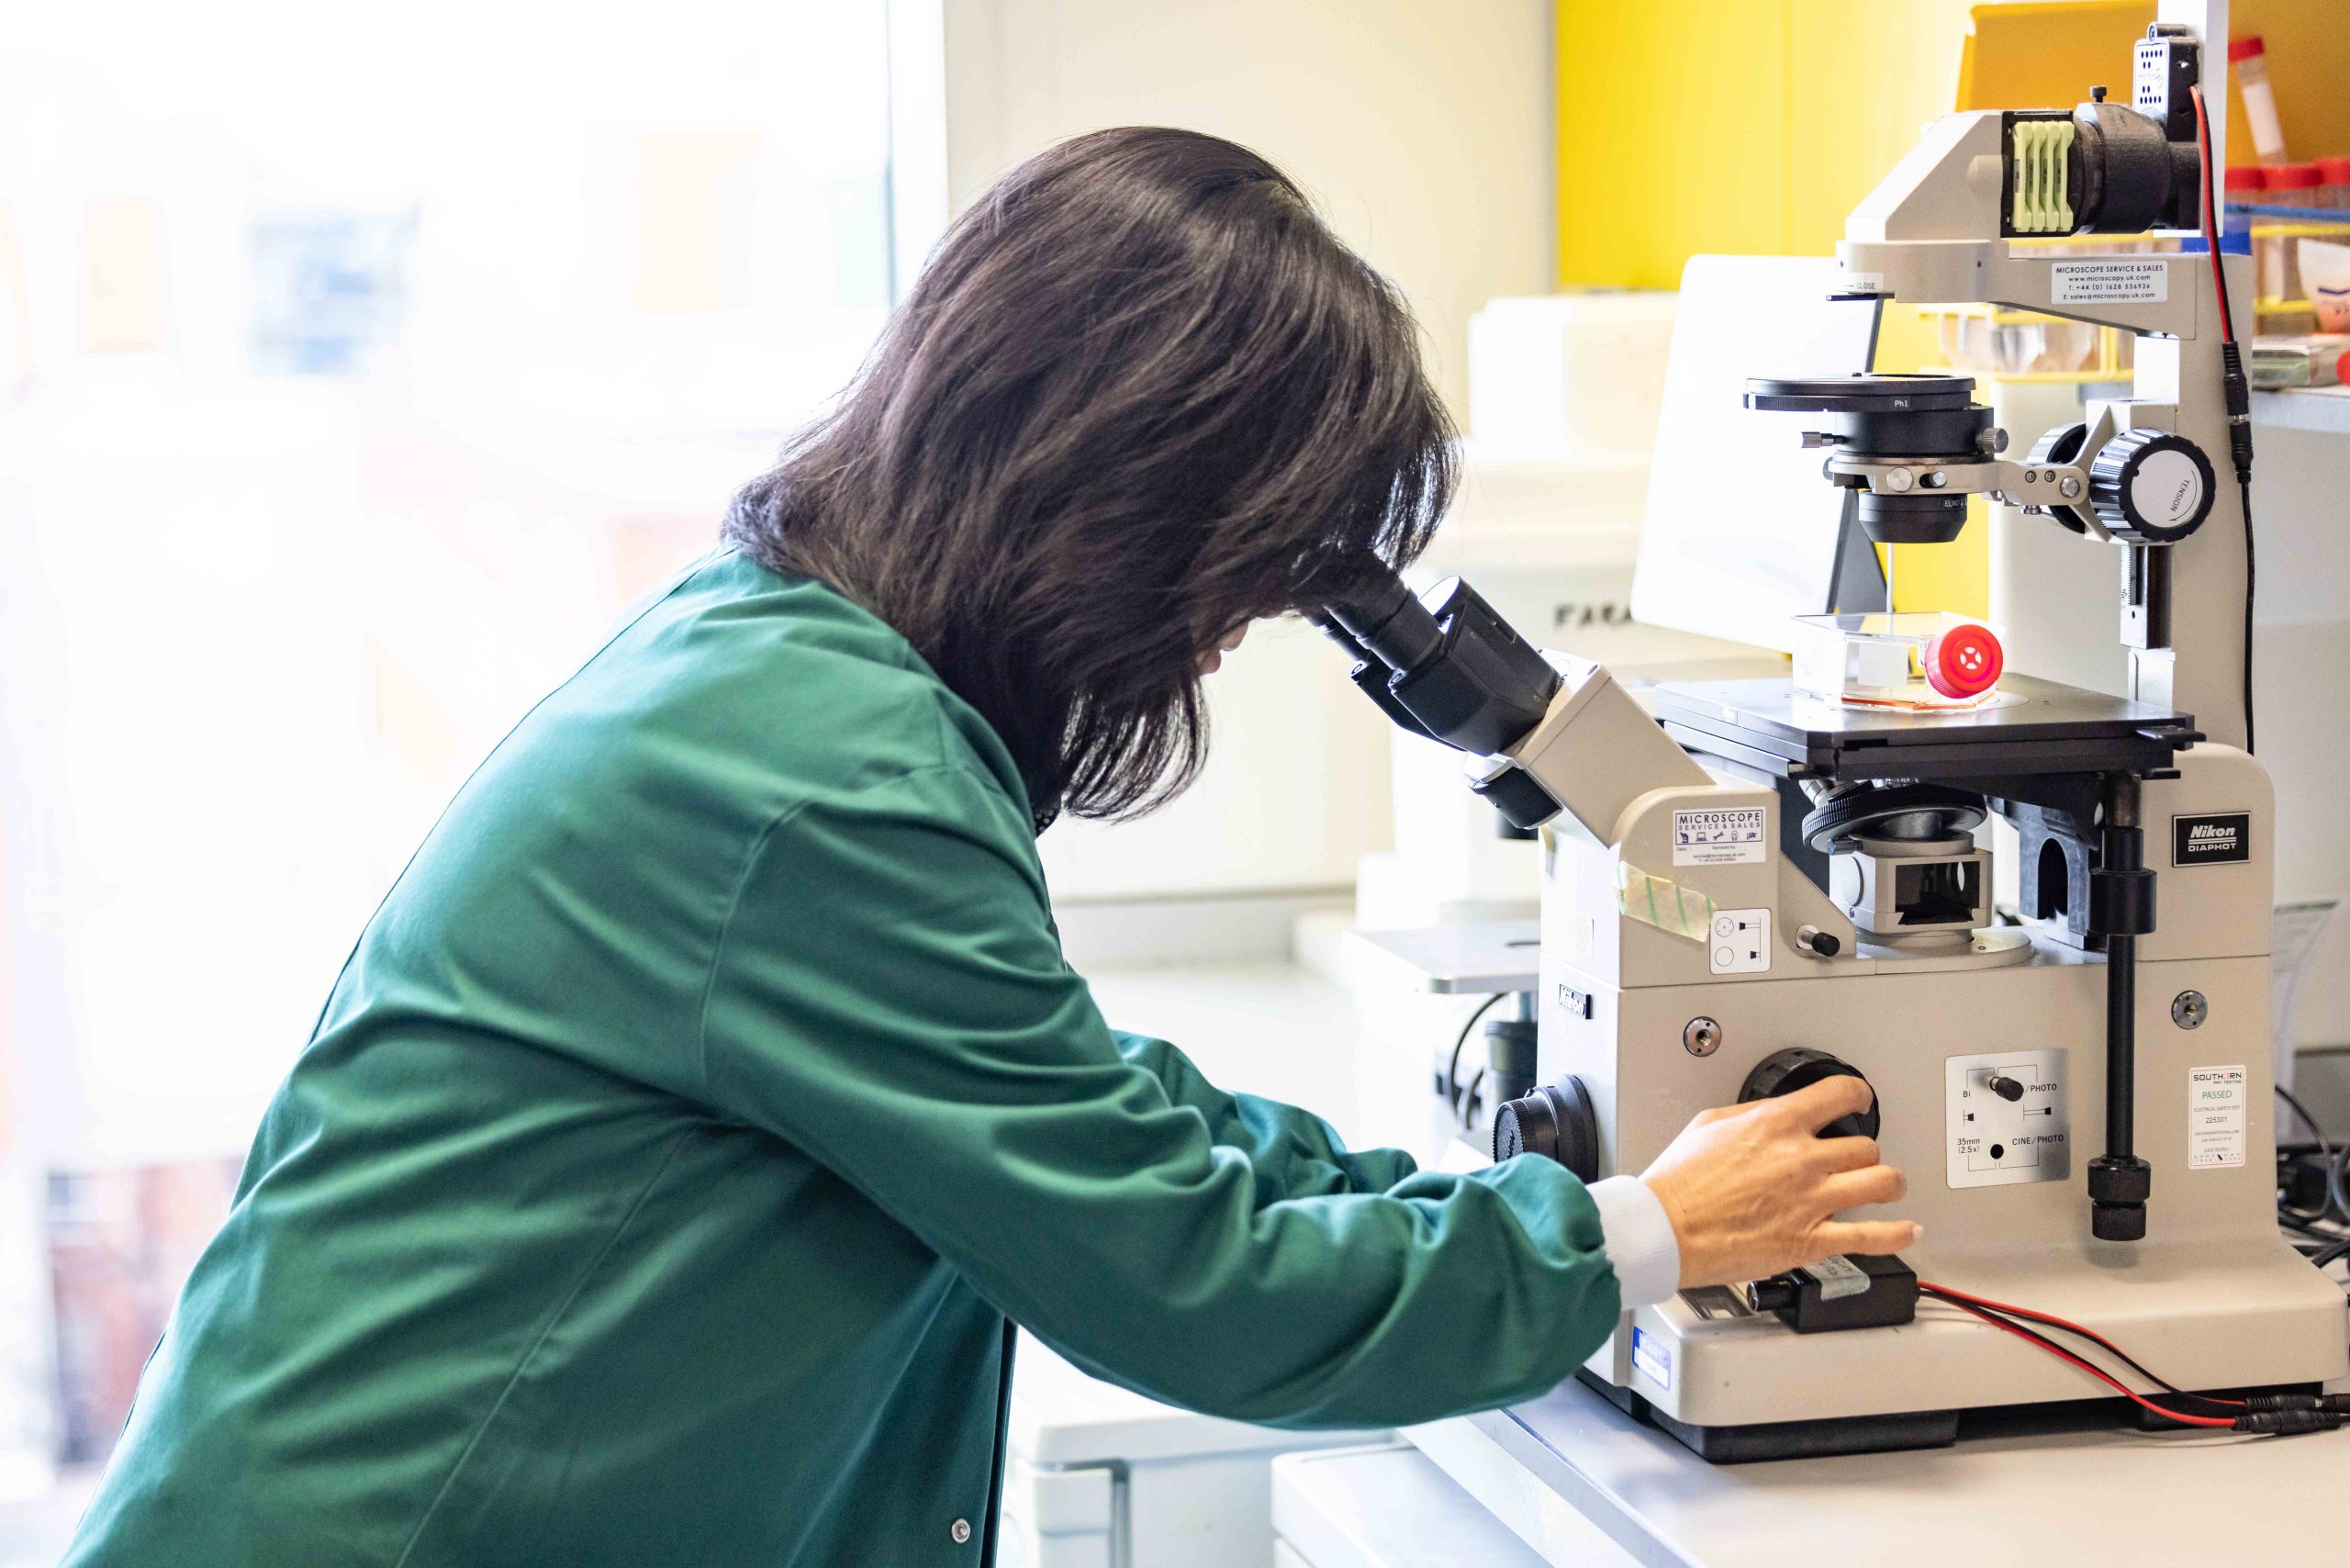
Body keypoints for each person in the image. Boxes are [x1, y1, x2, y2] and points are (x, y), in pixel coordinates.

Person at [63, 128, 1915, 1567]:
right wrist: (1632, 1236)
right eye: (1232, 578)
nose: (1218, 640)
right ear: (1118, 492)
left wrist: (1480, 1198)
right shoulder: (820, 784)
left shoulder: (781, 666)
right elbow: (1190, 1281)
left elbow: (1087, 1107)